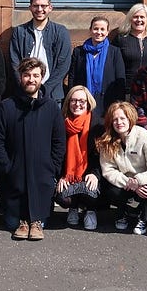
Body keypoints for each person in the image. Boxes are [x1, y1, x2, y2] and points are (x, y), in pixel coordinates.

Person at [0, 57, 66, 241]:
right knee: (11, 223)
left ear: (42, 78)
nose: (31, 79)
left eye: (35, 75)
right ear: (20, 77)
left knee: (39, 218)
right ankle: (23, 222)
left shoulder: (51, 108)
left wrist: (52, 168)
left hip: (42, 176)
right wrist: (7, 167)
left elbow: (59, 142)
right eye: (27, 75)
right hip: (13, 177)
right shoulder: (7, 106)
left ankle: (35, 222)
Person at [97, 101, 147, 236]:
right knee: (111, 190)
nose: (119, 122)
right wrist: (130, 183)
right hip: (125, 182)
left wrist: (139, 180)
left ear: (130, 118)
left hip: (144, 179)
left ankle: (143, 218)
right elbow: (108, 170)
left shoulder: (144, 136)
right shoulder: (107, 140)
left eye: (123, 118)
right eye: (115, 119)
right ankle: (122, 213)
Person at [8, 0, 71, 104]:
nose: (40, 9)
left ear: (50, 8)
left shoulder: (60, 32)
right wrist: (25, 85)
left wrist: (45, 89)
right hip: (24, 93)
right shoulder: (19, 32)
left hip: (52, 95)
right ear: (30, 8)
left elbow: (63, 65)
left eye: (43, 6)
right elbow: (14, 62)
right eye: (36, 6)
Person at [56, 86, 102, 231]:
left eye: (82, 101)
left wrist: (95, 174)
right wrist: (61, 176)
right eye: (73, 100)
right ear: (68, 103)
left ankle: (90, 210)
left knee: (92, 191)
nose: (77, 104)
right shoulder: (60, 123)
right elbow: (57, 155)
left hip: (89, 173)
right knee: (63, 196)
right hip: (69, 175)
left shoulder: (97, 125)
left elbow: (103, 157)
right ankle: (73, 207)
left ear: (88, 103)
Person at [67, 15, 126, 123]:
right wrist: (73, 99)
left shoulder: (114, 52)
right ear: (90, 30)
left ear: (107, 32)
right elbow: (72, 77)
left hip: (107, 103)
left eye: (102, 29)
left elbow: (120, 79)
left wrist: (118, 105)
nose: (99, 32)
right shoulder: (79, 52)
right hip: (83, 103)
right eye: (96, 28)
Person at [113, 2, 147, 90]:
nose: (139, 20)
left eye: (142, 17)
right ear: (130, 19)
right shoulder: (121, 39)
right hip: (127, 89)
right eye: (135, 17)